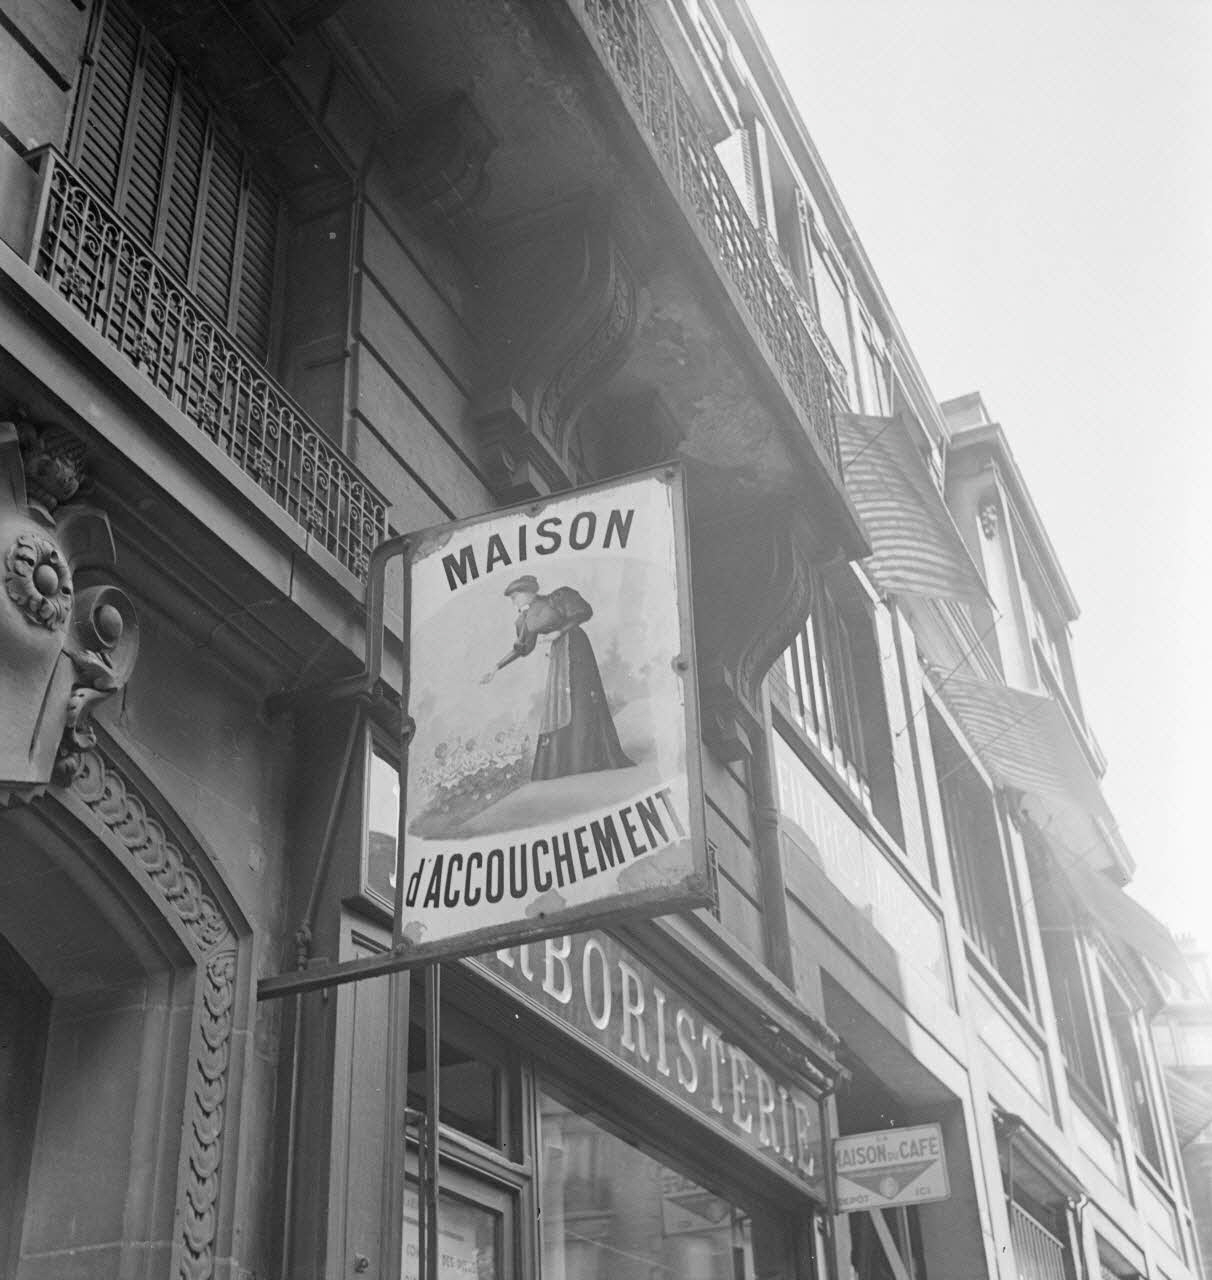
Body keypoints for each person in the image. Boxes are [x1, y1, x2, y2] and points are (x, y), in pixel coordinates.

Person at [481, 575, 634, 781]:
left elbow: (585, 612)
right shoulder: (525, 620)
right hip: (560, 656)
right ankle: (567, 763)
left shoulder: (557, 598)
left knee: (582, 699)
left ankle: (590, 758)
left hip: (576, 647)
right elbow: (522, 648)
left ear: (529, 592)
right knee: (561, 704)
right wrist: (496, 667)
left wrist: (559, 631)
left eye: (516, 596)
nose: (514, 601)